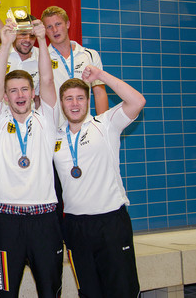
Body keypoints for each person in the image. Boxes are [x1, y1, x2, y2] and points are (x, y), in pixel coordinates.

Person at [0, 19, 63, 298]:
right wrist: (5, 43)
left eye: (25, 89)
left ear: (33, 94)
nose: (19, 94)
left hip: (45, 221)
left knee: (49, 293)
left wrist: (43, 42)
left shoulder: (47, 120)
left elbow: (50, 81)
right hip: (6, 223)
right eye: (13, 90)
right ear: (6, 97)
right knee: (4, 294)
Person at [54, 67, 145, 297]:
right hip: (75, 227)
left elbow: (137, 101)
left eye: (80, 98)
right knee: (89, 292)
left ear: (88, 101)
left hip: (111, 222)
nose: (75, 104)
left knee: (122, 291)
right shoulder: (54, 138)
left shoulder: (105, 124)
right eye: (69, 98)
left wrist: (100, 77)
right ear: (62, 104)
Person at [41, 6, 108, 115]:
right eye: (49, 26)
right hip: (52, 127)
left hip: (83, 125)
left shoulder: (90, 55)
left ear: (67, 24)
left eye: (58, 24)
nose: (55, 30)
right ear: (45, 31)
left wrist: (103, 126)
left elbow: (99, 93)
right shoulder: (40, 57)